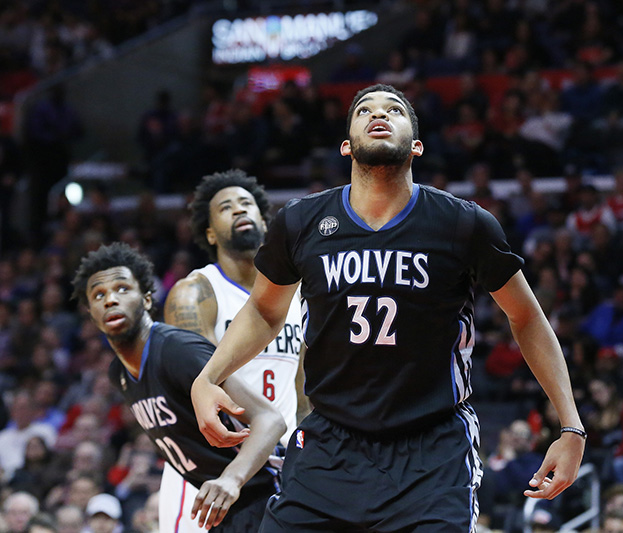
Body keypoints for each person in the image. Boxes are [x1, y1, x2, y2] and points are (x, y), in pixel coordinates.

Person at [191, 83, 585, 531]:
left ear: (416, 145)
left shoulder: (462, 223)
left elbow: (526, 316)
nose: (379, 114)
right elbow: (264, 311)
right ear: (346, 145)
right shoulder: (301, 223)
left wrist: (571, 426)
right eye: (364, 110)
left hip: (432, 449)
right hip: (330, 445)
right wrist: (208, 377)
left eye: (394, 109)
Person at [71, 243, 286, 531]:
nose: (110, 299)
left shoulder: (176, 349)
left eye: (122, 288)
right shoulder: (118, 375)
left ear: (147, 299)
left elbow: (270, 419)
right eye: (99, 295)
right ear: (91, 313)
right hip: (226, 508)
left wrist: (230, 479)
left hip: (267, 492)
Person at [163, 169, 307, 533]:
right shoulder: (195, 293)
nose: (239, 210)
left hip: (283, 462)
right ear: (209, 232)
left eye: (247, 204)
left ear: (263, 218)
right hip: (211, 464)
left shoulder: (300, 292)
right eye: (226, 207)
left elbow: (305, 393)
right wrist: (261, 428)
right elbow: (198, 383)